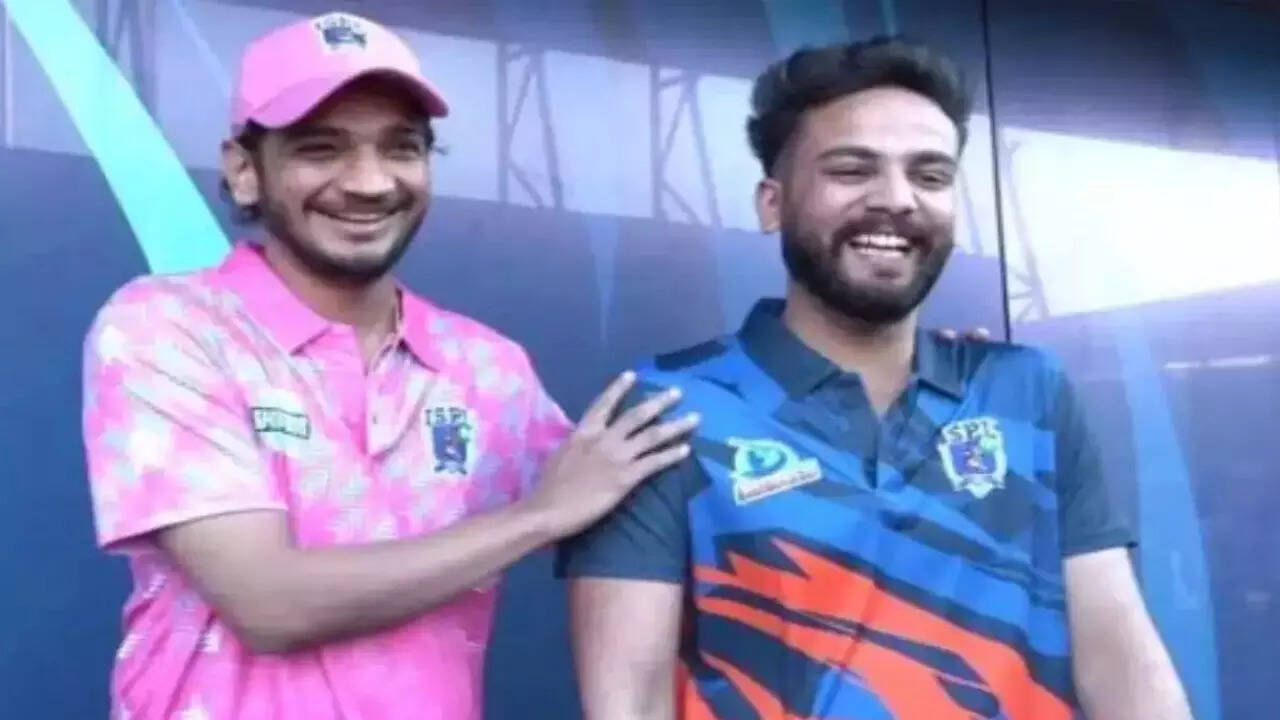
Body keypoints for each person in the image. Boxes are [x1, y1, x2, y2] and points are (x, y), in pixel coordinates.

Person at [81, 12, 697, 719]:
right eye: (322, 149)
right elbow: (268, 602)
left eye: (401, 147)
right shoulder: (170, 327)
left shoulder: (487, 367)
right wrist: (537, 518)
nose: (370, 182)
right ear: (245, 171)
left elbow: (619, 514)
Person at [559, 37, 1193, 720]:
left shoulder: (1028, 391)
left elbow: (1117, 654)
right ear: (772, 203)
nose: (897, 200)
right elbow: (630, 701)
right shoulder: (667, 405)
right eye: (852, 170)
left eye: (930, 176)